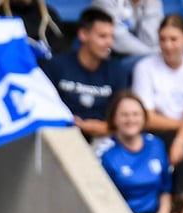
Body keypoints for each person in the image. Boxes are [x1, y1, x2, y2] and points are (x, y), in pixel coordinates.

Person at [130, 14, 183, 166]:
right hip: (154, 132)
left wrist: (180, 141)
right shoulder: (144, 67)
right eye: (162, 39)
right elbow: (147, 118)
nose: (167, 45)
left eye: (173, 39)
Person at [40, 8, 129, 140]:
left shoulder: (117, 70)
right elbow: (43, 108)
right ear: (83, 34)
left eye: (111, 37)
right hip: (62, 135)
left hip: (104, 138)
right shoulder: (56, 65)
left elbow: (125, 118)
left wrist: (100, 127)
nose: (109, 43)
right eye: (102, 36)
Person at [96, 90, 172, 213]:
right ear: (114, 119)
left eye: (135, 114)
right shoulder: (105, 153)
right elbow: (106, 204)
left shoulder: (156, 144)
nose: (130, 119)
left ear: (144, 117)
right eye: (124, 115)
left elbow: (166, 189)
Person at [90, 0, 161, 58]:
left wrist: (151, 6)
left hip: (141, 56)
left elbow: (151, 40)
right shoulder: (105, 1)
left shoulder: (152, 2)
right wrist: (156, 55)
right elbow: (118, 40)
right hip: (112, 56)